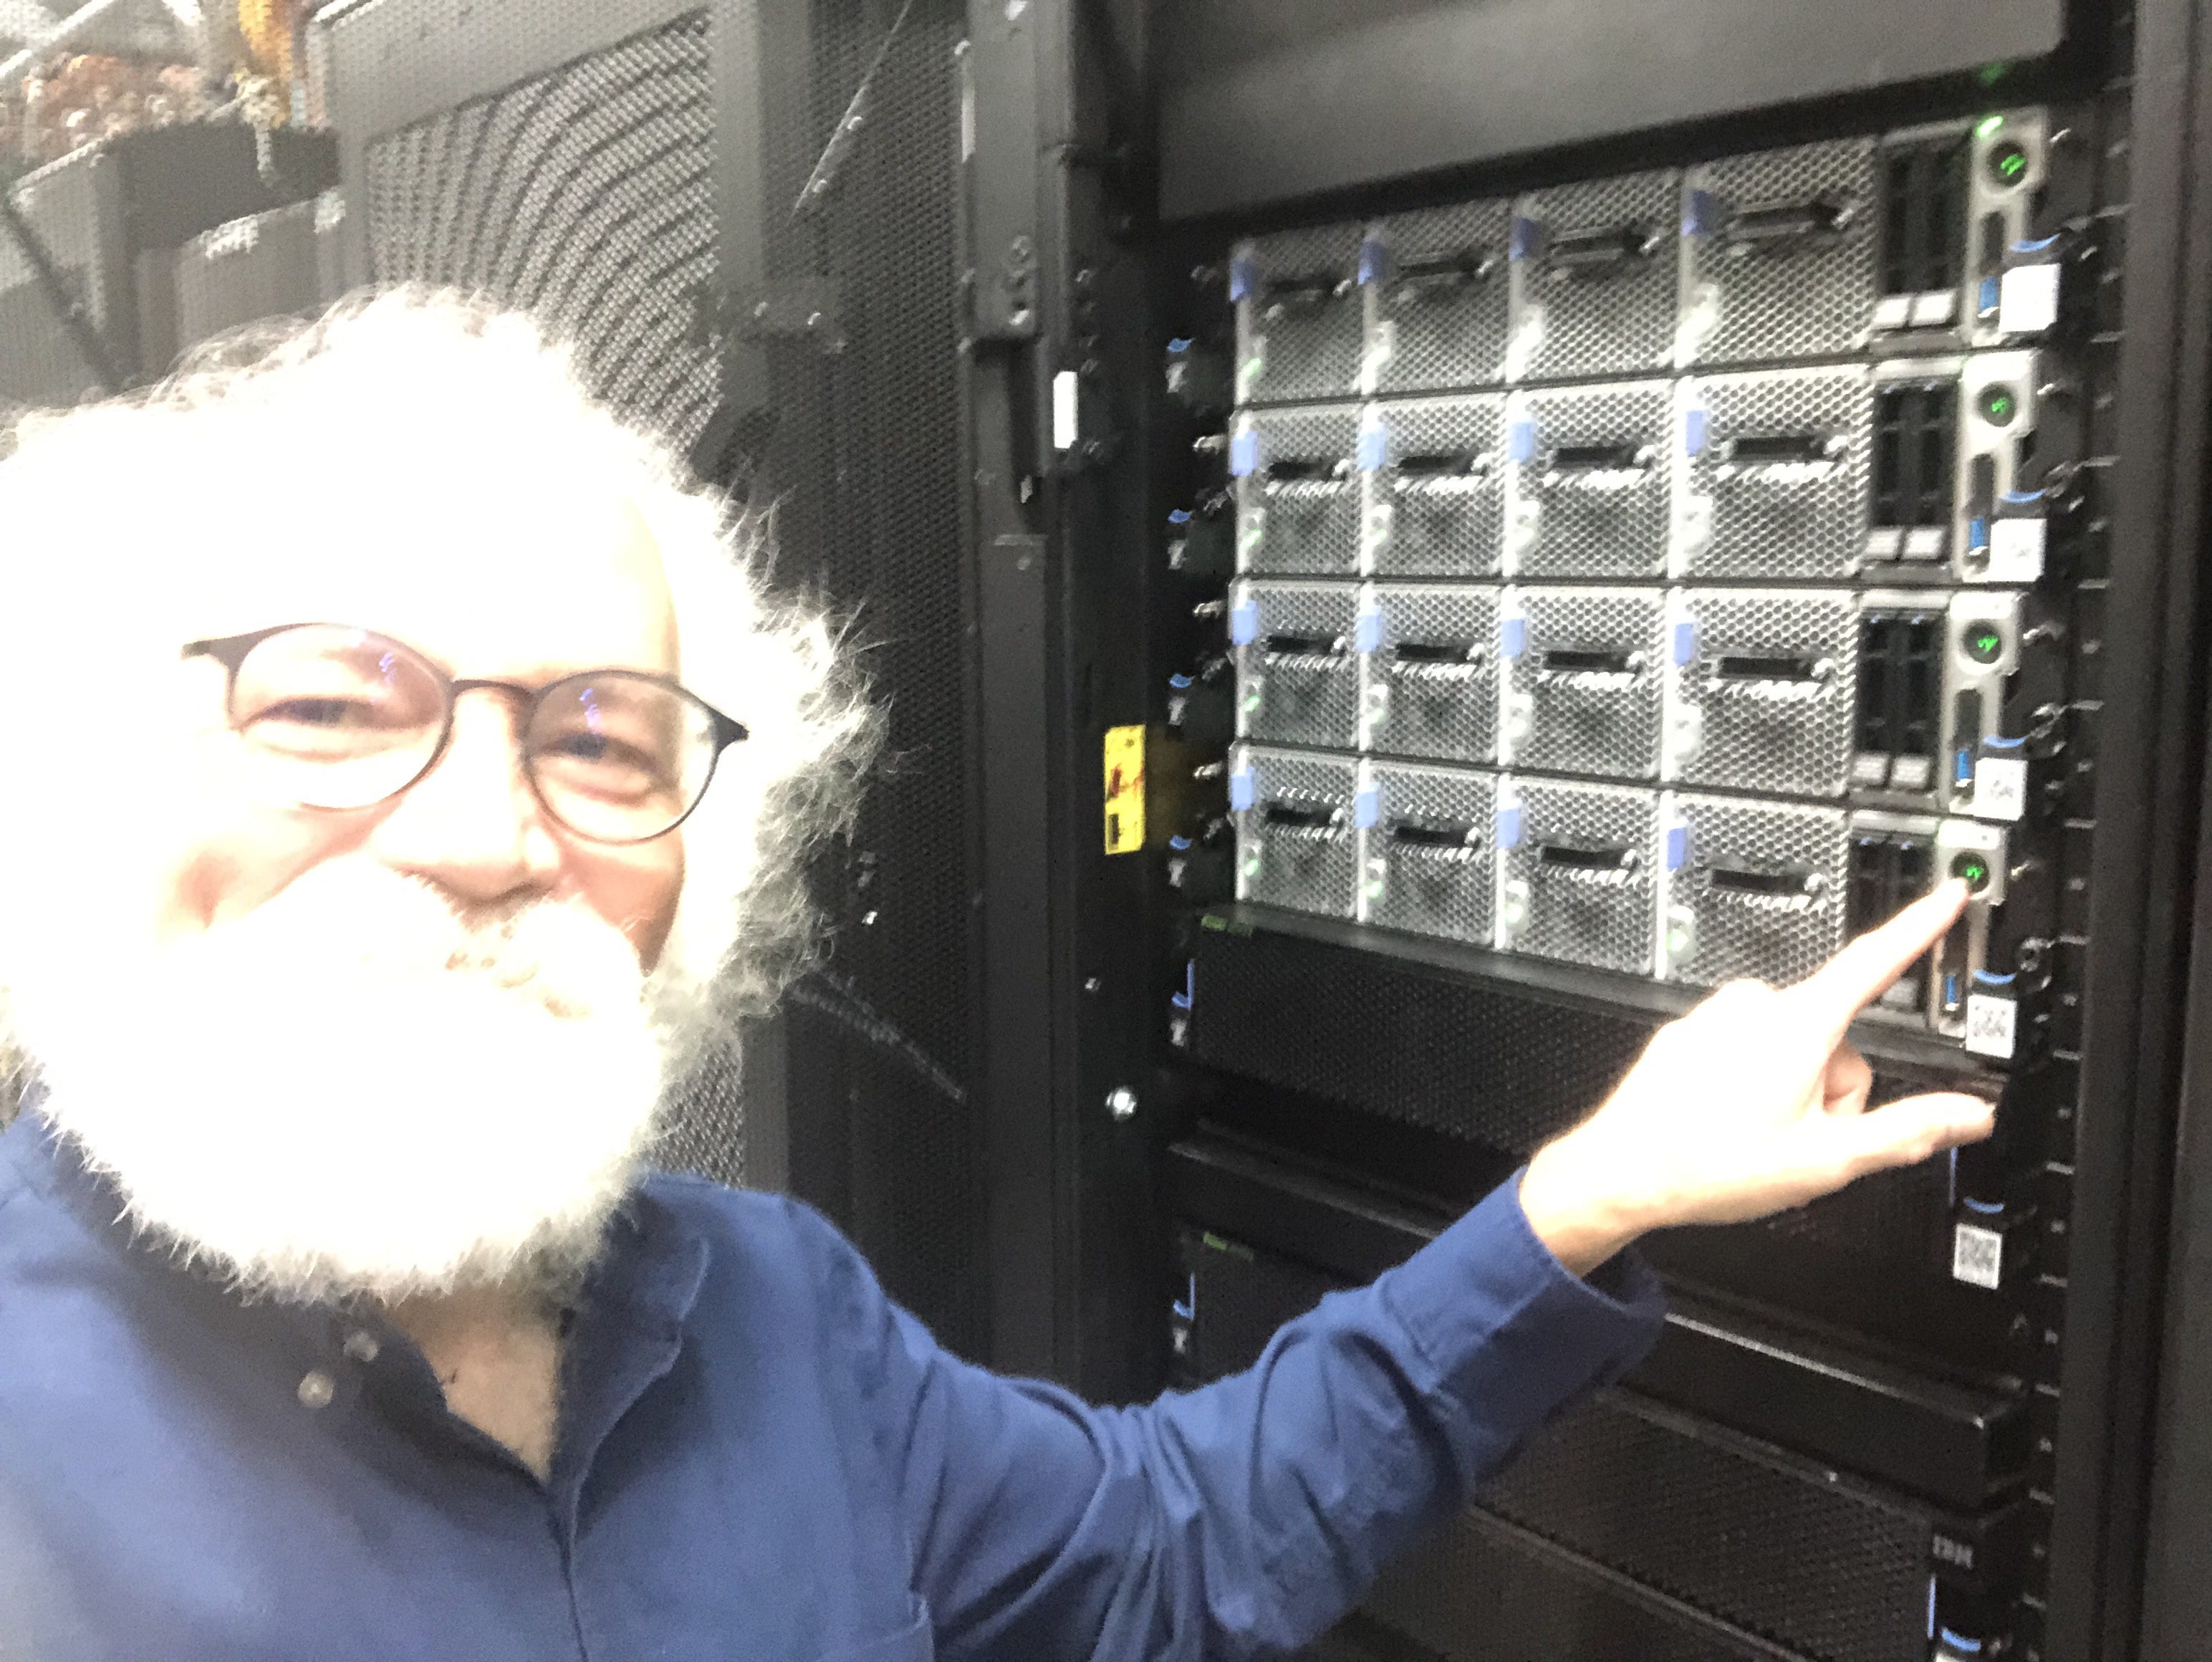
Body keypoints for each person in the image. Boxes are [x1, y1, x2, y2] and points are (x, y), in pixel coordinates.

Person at [0, 289, 1994, 1661]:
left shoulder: (768, 1316)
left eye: (599, 739)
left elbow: (1169, 1546)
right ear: (83, 762)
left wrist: (1589, 1198)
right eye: (332, 707)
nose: (484, 833)